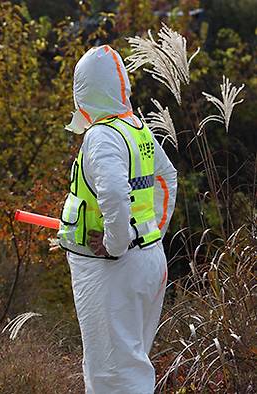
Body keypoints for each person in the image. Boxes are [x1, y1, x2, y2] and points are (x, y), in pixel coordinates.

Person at [57, 45, 178, 393]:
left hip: (113, 268)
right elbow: (166, 180)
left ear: (84, 92)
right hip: (147, 261)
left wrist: (116, 243)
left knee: (113, 375)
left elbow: (112, 194)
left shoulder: (101, 136)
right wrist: (150, 232)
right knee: (130, 364)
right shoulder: (136, 130)